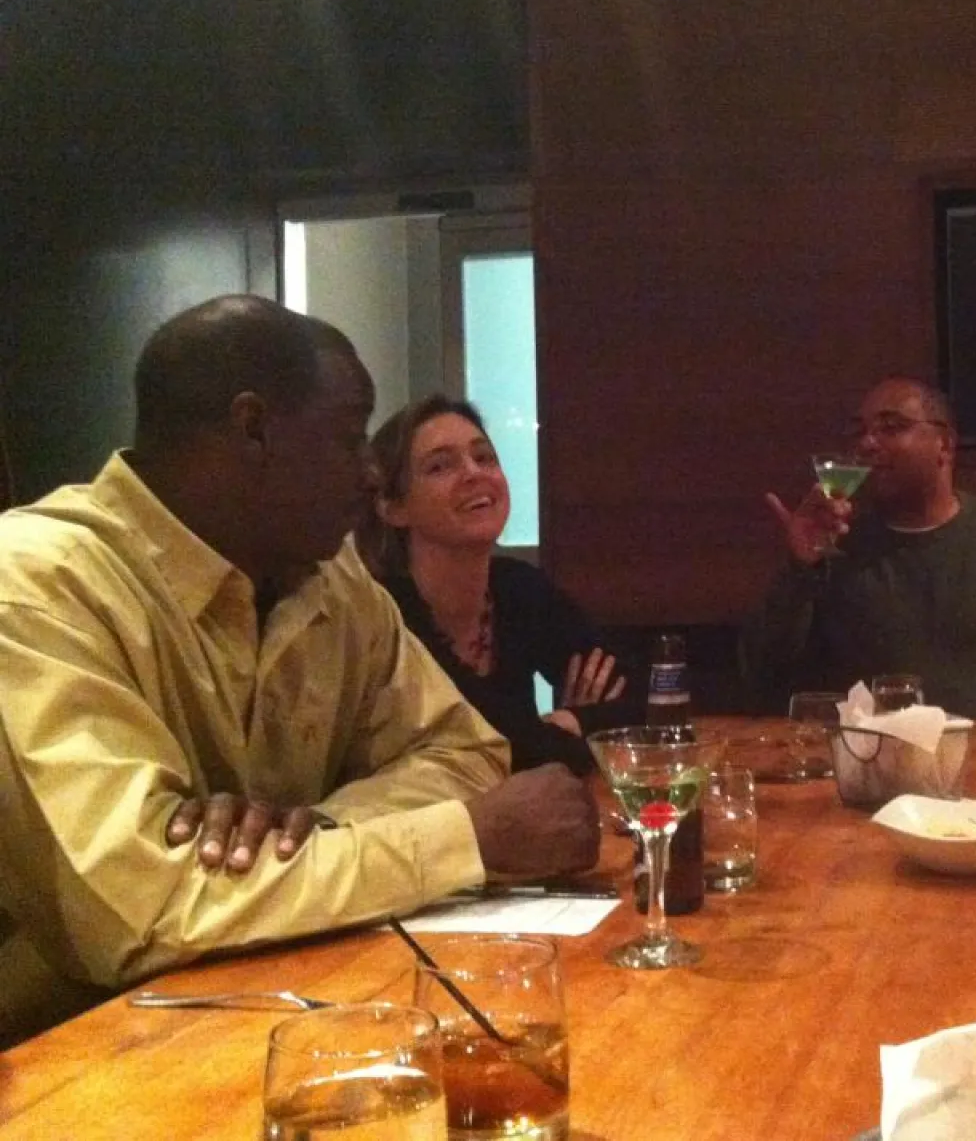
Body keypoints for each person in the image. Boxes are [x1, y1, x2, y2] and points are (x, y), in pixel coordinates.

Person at [0, 296, 599, 1047]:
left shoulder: (328, 578)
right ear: (253, 428)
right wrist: (465, 840)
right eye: (350, 438)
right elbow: (143, 910)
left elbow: (463, 751)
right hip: (71, 1054)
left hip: (285, 1009)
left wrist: (323, 829)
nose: (371, 475)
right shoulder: (36, 583)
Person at [741, 376, 976, 720]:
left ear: (945, 444)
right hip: (875, 780)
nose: (868, 444)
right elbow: (765, 674)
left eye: (891, 427)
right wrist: (799, 566)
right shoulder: (838, 550)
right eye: (860, 432)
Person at [357, 394, 634, 776]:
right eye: (440, 466)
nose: (474, 473)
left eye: (484, 457)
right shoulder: (386, 612)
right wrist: (572, 728)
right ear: (393, 508)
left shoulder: (517, 587)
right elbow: (493, 748)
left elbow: (639, 697)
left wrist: (567, 724)